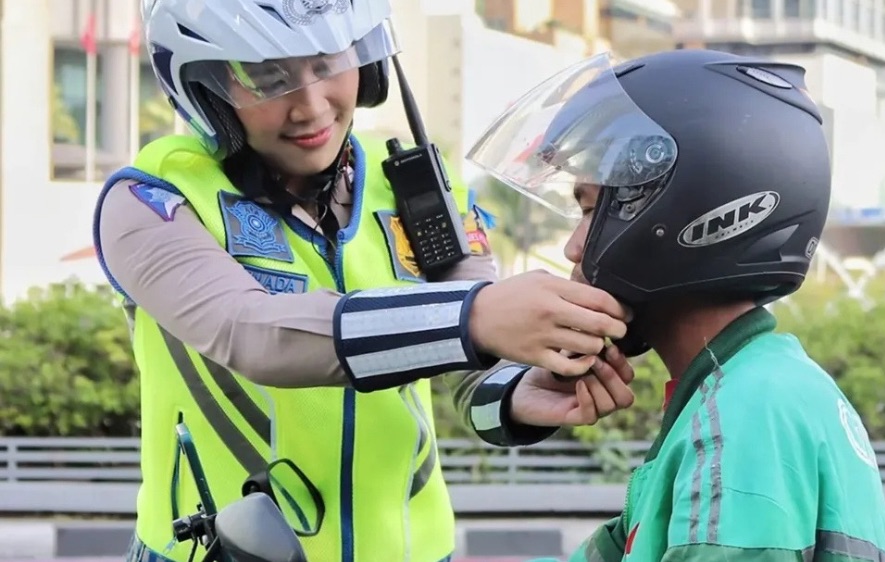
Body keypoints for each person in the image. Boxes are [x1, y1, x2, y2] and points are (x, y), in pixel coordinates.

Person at [93, 2, 637, 561]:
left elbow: (472, 372)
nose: (310, 105)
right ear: (203, 86)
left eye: (328, 61)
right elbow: (251, 334)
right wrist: (473, 317)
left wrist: (520, 394)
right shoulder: (150, 200)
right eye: (265, 76)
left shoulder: (415, 182)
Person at [465, 48, 885, 562]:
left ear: (684, 211)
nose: (573, 248)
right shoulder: (755, 388)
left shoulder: (746, 414)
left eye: (587, 211)